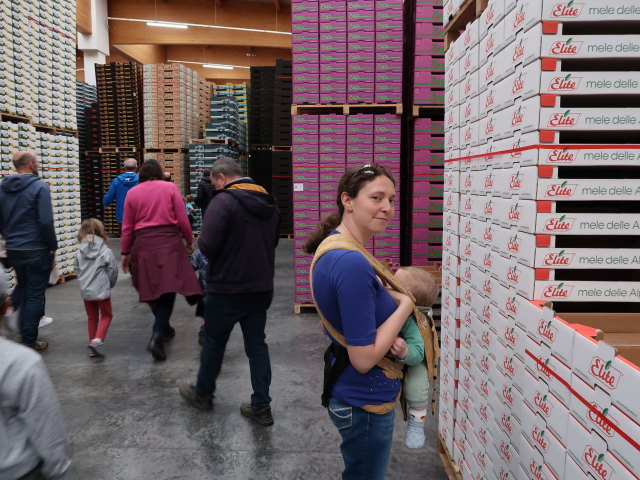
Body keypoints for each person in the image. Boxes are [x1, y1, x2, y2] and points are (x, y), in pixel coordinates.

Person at [303, 163, 431, 479]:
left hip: (352, 394)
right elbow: (362, 360)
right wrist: (405, 303)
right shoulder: (351, 262)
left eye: (390, 199)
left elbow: (330, 323)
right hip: (364, 401)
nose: (387, 208)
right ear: (347, 200)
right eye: (376, 198)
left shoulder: (337, 247)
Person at [179, 157, 280, 427]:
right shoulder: (268, 202)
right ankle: (261, 405)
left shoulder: (222, 202)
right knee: (257, 346)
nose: (213, 187)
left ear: (221, 178)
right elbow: (273, 242)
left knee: (214, 342)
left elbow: (208, 246)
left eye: (213, 182)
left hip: (226, 288)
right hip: (260, 287)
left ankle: (203, 393)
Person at [121, 159, 202, 361]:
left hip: (143, 246)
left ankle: (163, 327)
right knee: (168, 289)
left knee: (149, 287)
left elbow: (127, 226)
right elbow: (182, 218)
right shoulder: (170, 188)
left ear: (140, 173)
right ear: (159, 172)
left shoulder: (132, 193)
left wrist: (125, 252)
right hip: (169, 244)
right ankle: (157, 335)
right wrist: (189, 240)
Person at [0, 274, 72, 479]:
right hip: (18, 470)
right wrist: (57, 466)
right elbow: (49, 433)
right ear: (6, 307)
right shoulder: (21, 363)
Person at [0, 151, 57, 352]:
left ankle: (9, 322)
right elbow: (45, 221)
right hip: (36, 248)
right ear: (31, 164)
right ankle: (28, 340)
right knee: (34, 294)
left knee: (23, 285)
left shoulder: (3, 188)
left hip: (14, 248)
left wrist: (9, 239)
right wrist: (52, 247)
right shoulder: (39, 187)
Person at [393, 266, 440, 449]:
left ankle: (416, 424)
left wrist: (405, 352)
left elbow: (418, 352)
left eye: (395, 285)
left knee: (418, 383)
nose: (389, 284)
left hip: (414, 353)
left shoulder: (412, 320)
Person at [73, 218, 118, 358]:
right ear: (100, 232)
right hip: (101, 290)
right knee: (107, 315)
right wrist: (110, 284)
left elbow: (77, 269)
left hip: (86, 290)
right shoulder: (106, 251)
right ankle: (97, 341)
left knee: (92, 317)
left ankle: (92, 348)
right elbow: (113, 270)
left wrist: (84, 281)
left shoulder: (79, 252)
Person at [102, 158, 138, 224]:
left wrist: (106, 203)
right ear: (136, 168)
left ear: (123, 168)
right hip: (138, 217)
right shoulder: (141, 180)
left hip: (122, 217)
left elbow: (108, 198)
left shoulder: (116, 181)